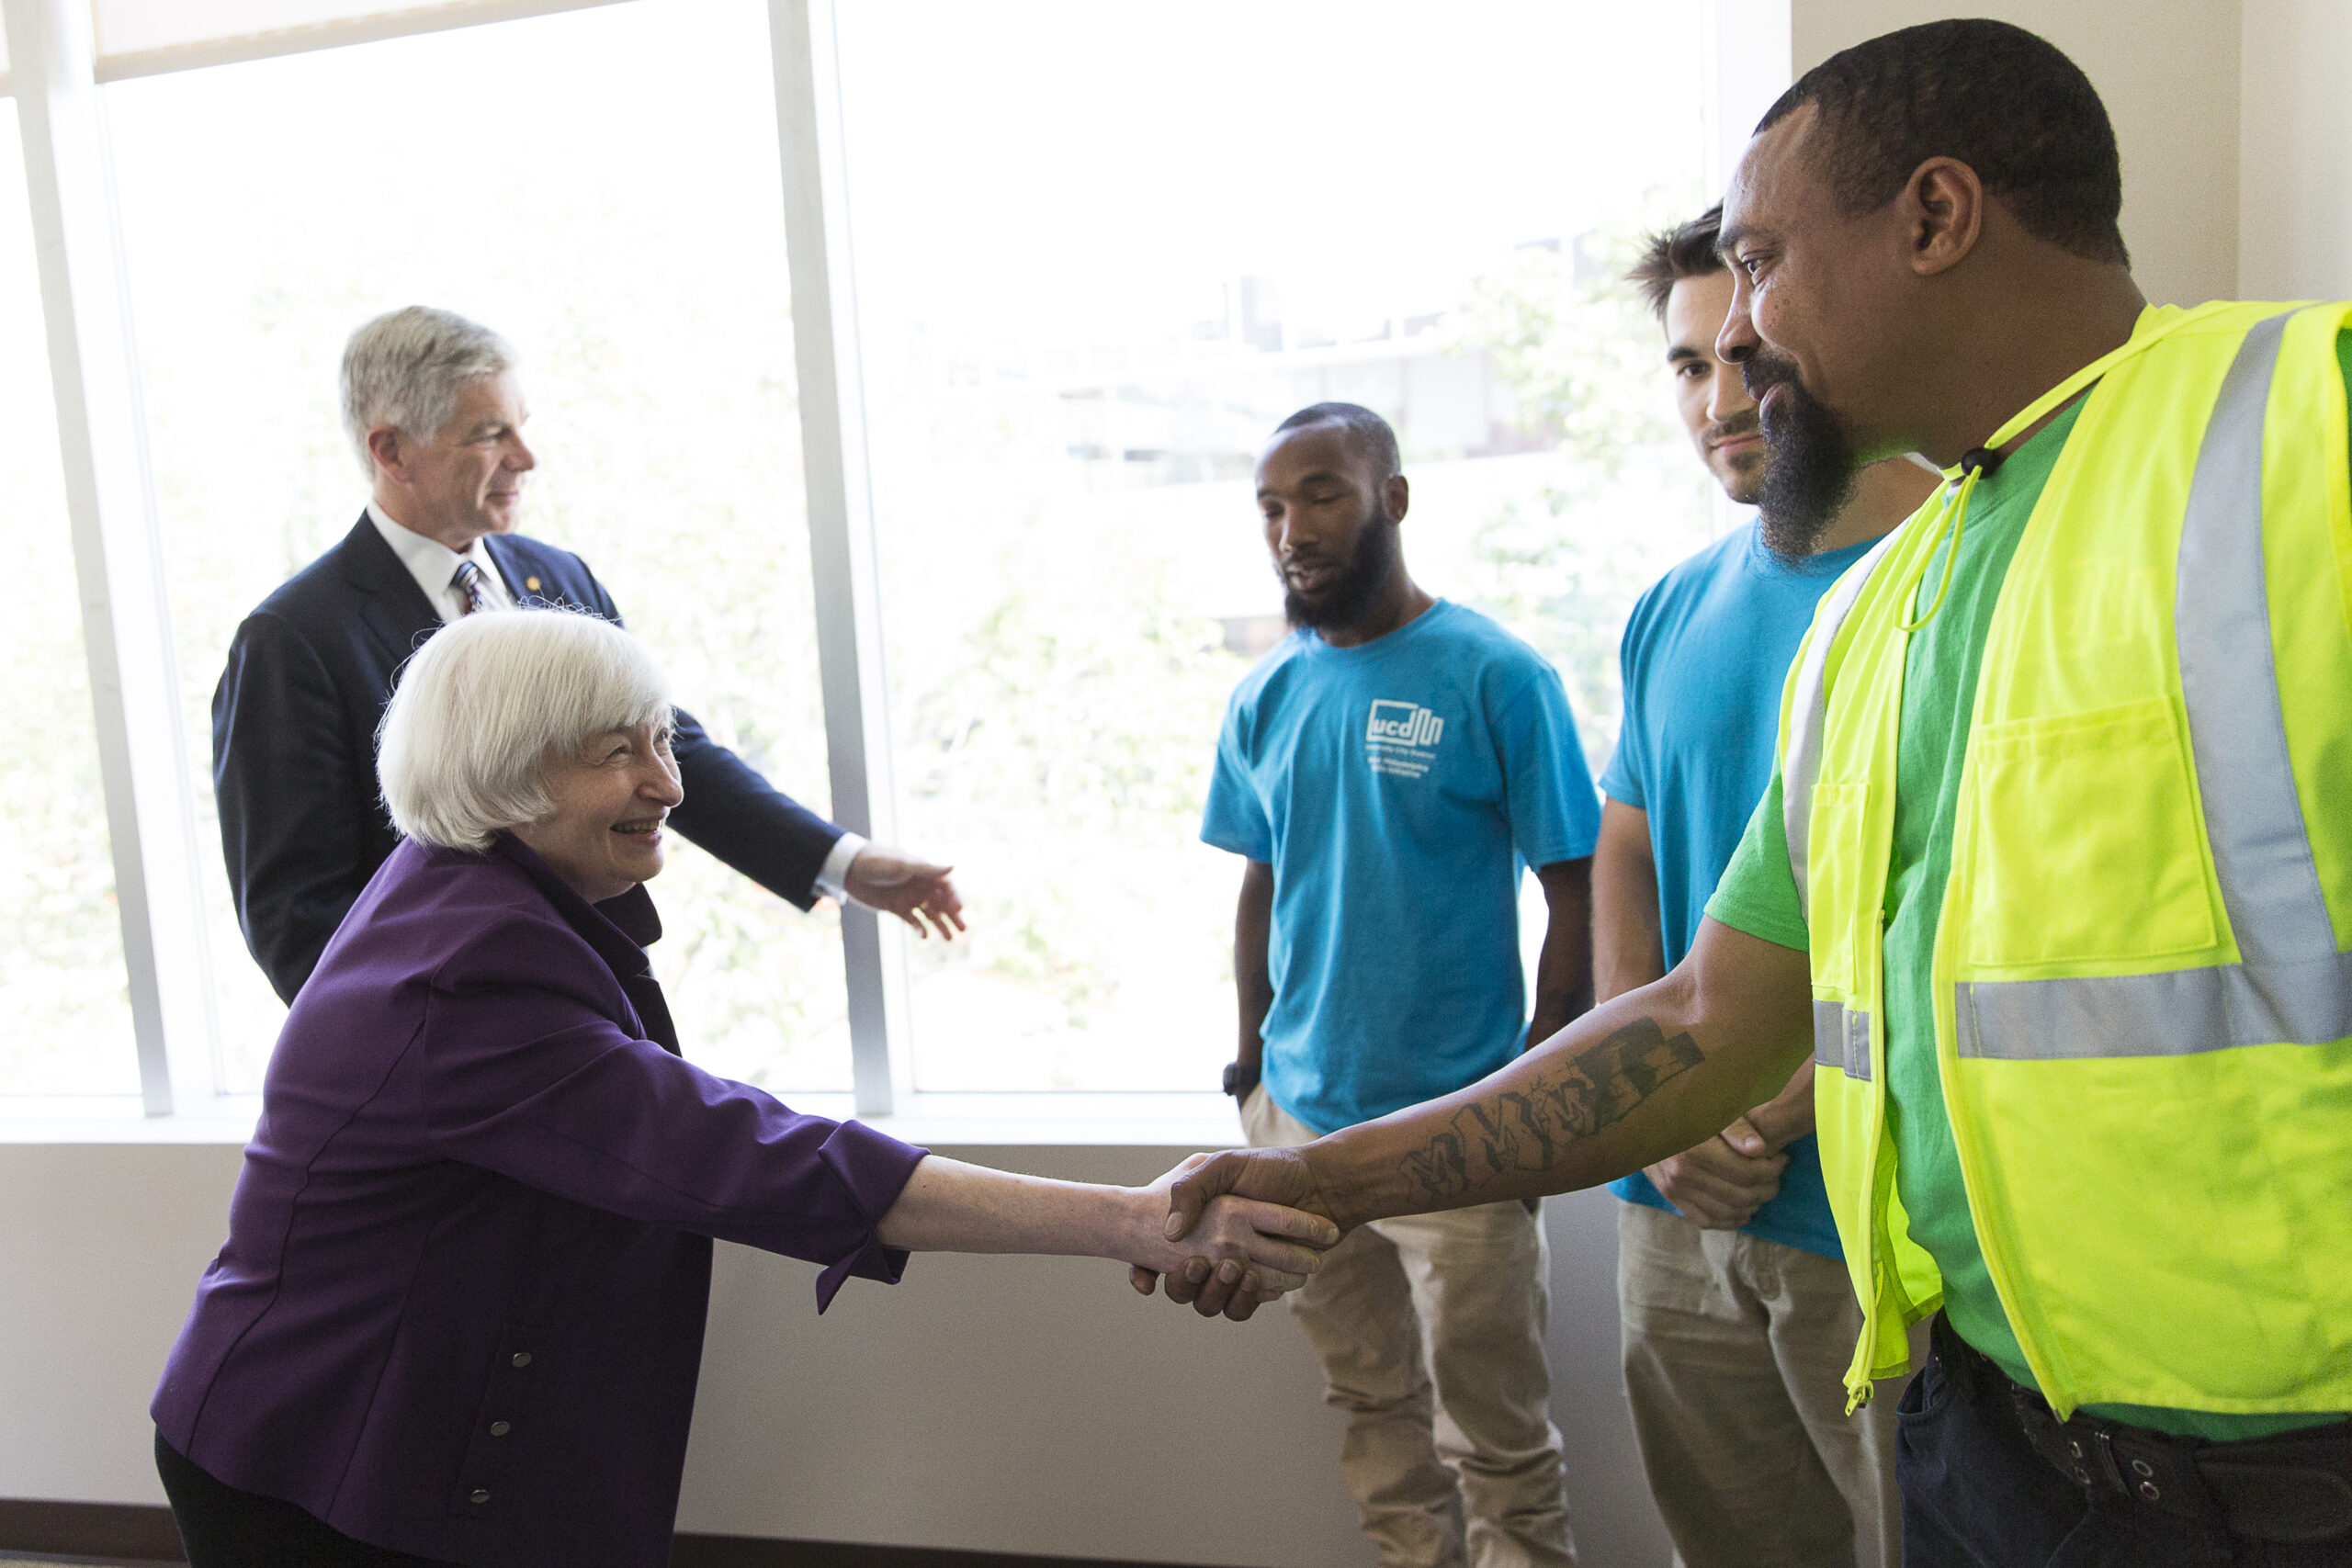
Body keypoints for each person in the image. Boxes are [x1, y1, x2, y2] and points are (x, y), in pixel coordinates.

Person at [1160, 21, 2352, 1566]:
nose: (1746, 339)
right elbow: (1698, 1023)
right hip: (1992, 1435)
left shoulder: (2302, 430)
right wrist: (1316, 1172)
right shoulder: (1878, 616)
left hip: (2296, 1475)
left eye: (1766, 262)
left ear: (1934, 219)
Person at [153, 609, 1333, 1568]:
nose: (666, 784)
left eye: (662, 741)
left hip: (388, 1426)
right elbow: (749, 1153)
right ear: (501, 775)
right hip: (317, 1456)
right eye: (619, 752)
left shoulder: (465, 891)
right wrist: (1134, 1221)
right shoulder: (466, 967)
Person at [212, 306, 961, 1002]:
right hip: (445, 1053)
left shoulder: (557, 580)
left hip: (596, 1000)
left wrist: (843, 863)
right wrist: (421, 1050)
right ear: (391, 450)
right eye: (488, 434)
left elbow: (670, 755)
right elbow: (298, 921)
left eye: (521, 427)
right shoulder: (292, 641)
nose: (526, 458)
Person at [1197, 402, 1599, 1567]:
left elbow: (1572, 885)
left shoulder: (1496, 674)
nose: (1290, 528)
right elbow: (1260, 886)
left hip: (1461, 1132)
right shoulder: (1266, 695)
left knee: (1501, 1443)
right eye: (1270, 506)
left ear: (1394, 498)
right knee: (1372, 1416)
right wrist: (1251, 1062)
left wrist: (1539, 1082)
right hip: (1304, 1129)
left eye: (1319, 493)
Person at [1598, 205, 1933, 1568]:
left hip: (1876, 1211)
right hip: (1675, 1203)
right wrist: (1643, 1088)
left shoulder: (1958, 569)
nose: (1721, 399)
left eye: (1746, 356)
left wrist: (1802, 1081)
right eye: (1687, 366)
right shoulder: (1671, 603)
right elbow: (1626, 847)